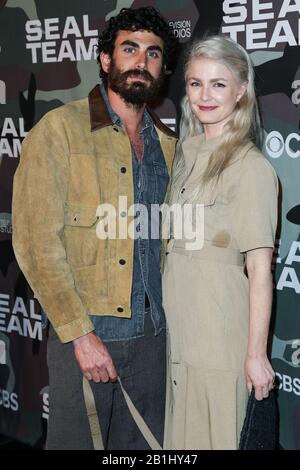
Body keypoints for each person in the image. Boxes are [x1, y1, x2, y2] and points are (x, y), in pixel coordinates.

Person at [12, 6, 177, 450]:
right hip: (86, 336)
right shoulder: (59, 131)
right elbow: (35, 242)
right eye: (129, 49)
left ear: (163, 69)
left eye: (153, 54)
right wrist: (81, 336)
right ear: (106, 60)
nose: (141, 62)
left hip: (155, 341)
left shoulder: (170, 147)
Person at [162, 35, 278, 450]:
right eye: (195, 83)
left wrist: (256, 354)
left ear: (241, 90)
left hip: (220, 333)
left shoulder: (251, 167)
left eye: (218, 84)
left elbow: (260, 270)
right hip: (178, 331)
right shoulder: (183, 154)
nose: (205, 96)